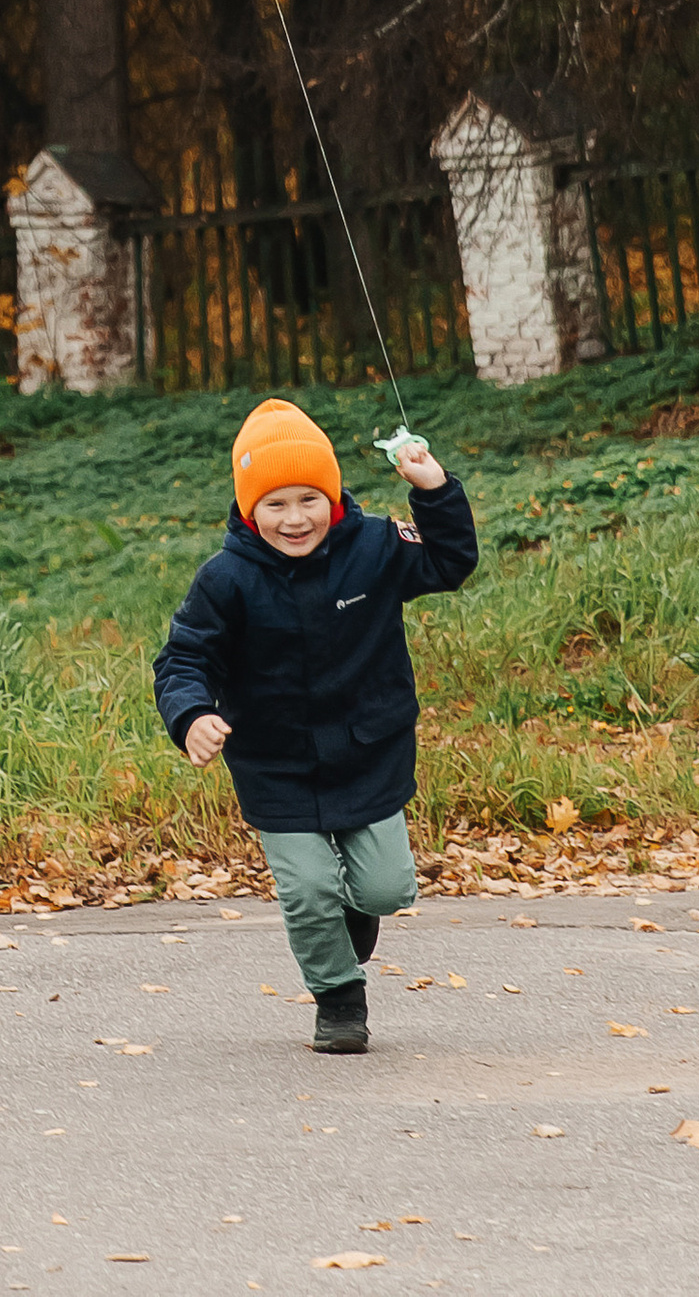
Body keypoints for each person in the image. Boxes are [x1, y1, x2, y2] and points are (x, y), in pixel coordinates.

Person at [153, 394, 477, 1053]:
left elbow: (450, 563)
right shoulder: (226, 579)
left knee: (387, 888)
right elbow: (184, 658)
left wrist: (434, 490)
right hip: (276, 763)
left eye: (308, 500)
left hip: (369, 747)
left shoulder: (376, 546)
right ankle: (338, 999)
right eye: (275, 504)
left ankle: (352, 921)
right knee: (306, 891)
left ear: (331, 497)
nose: (295, 519)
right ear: (250, 509)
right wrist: (192, 716)